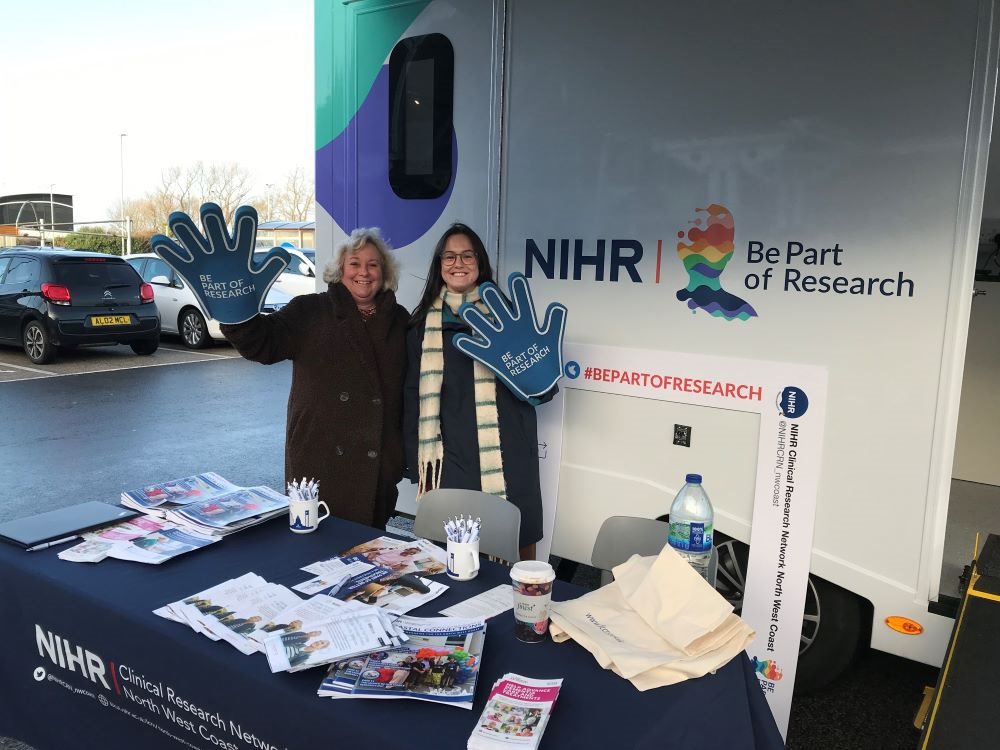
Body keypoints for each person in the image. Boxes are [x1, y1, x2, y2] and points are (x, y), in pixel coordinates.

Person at [222, 228, 409, 529]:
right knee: (314, 547)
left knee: (367, 550)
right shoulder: (309, 310)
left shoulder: (400, 320)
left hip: (375, 468)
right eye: (354, 263)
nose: (364, 272)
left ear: (384, 272)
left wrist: (398, 456)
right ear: (340, 270)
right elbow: (262, 343)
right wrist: (233, 309)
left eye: (373, 264)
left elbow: (411, 392)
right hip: (318, 462)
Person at [404, 223, 552, 560]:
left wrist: (542, 380)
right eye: (450, 256)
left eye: (467, 256)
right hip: (452, 456)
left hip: (509, 452)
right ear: (439, 264)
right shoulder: (422, 326)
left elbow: (539, 383)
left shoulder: (507, 316)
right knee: (456, 553)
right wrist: (415, 462)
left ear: (479, 263)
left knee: (515, 546)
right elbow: (412, 396)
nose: (458, 263)